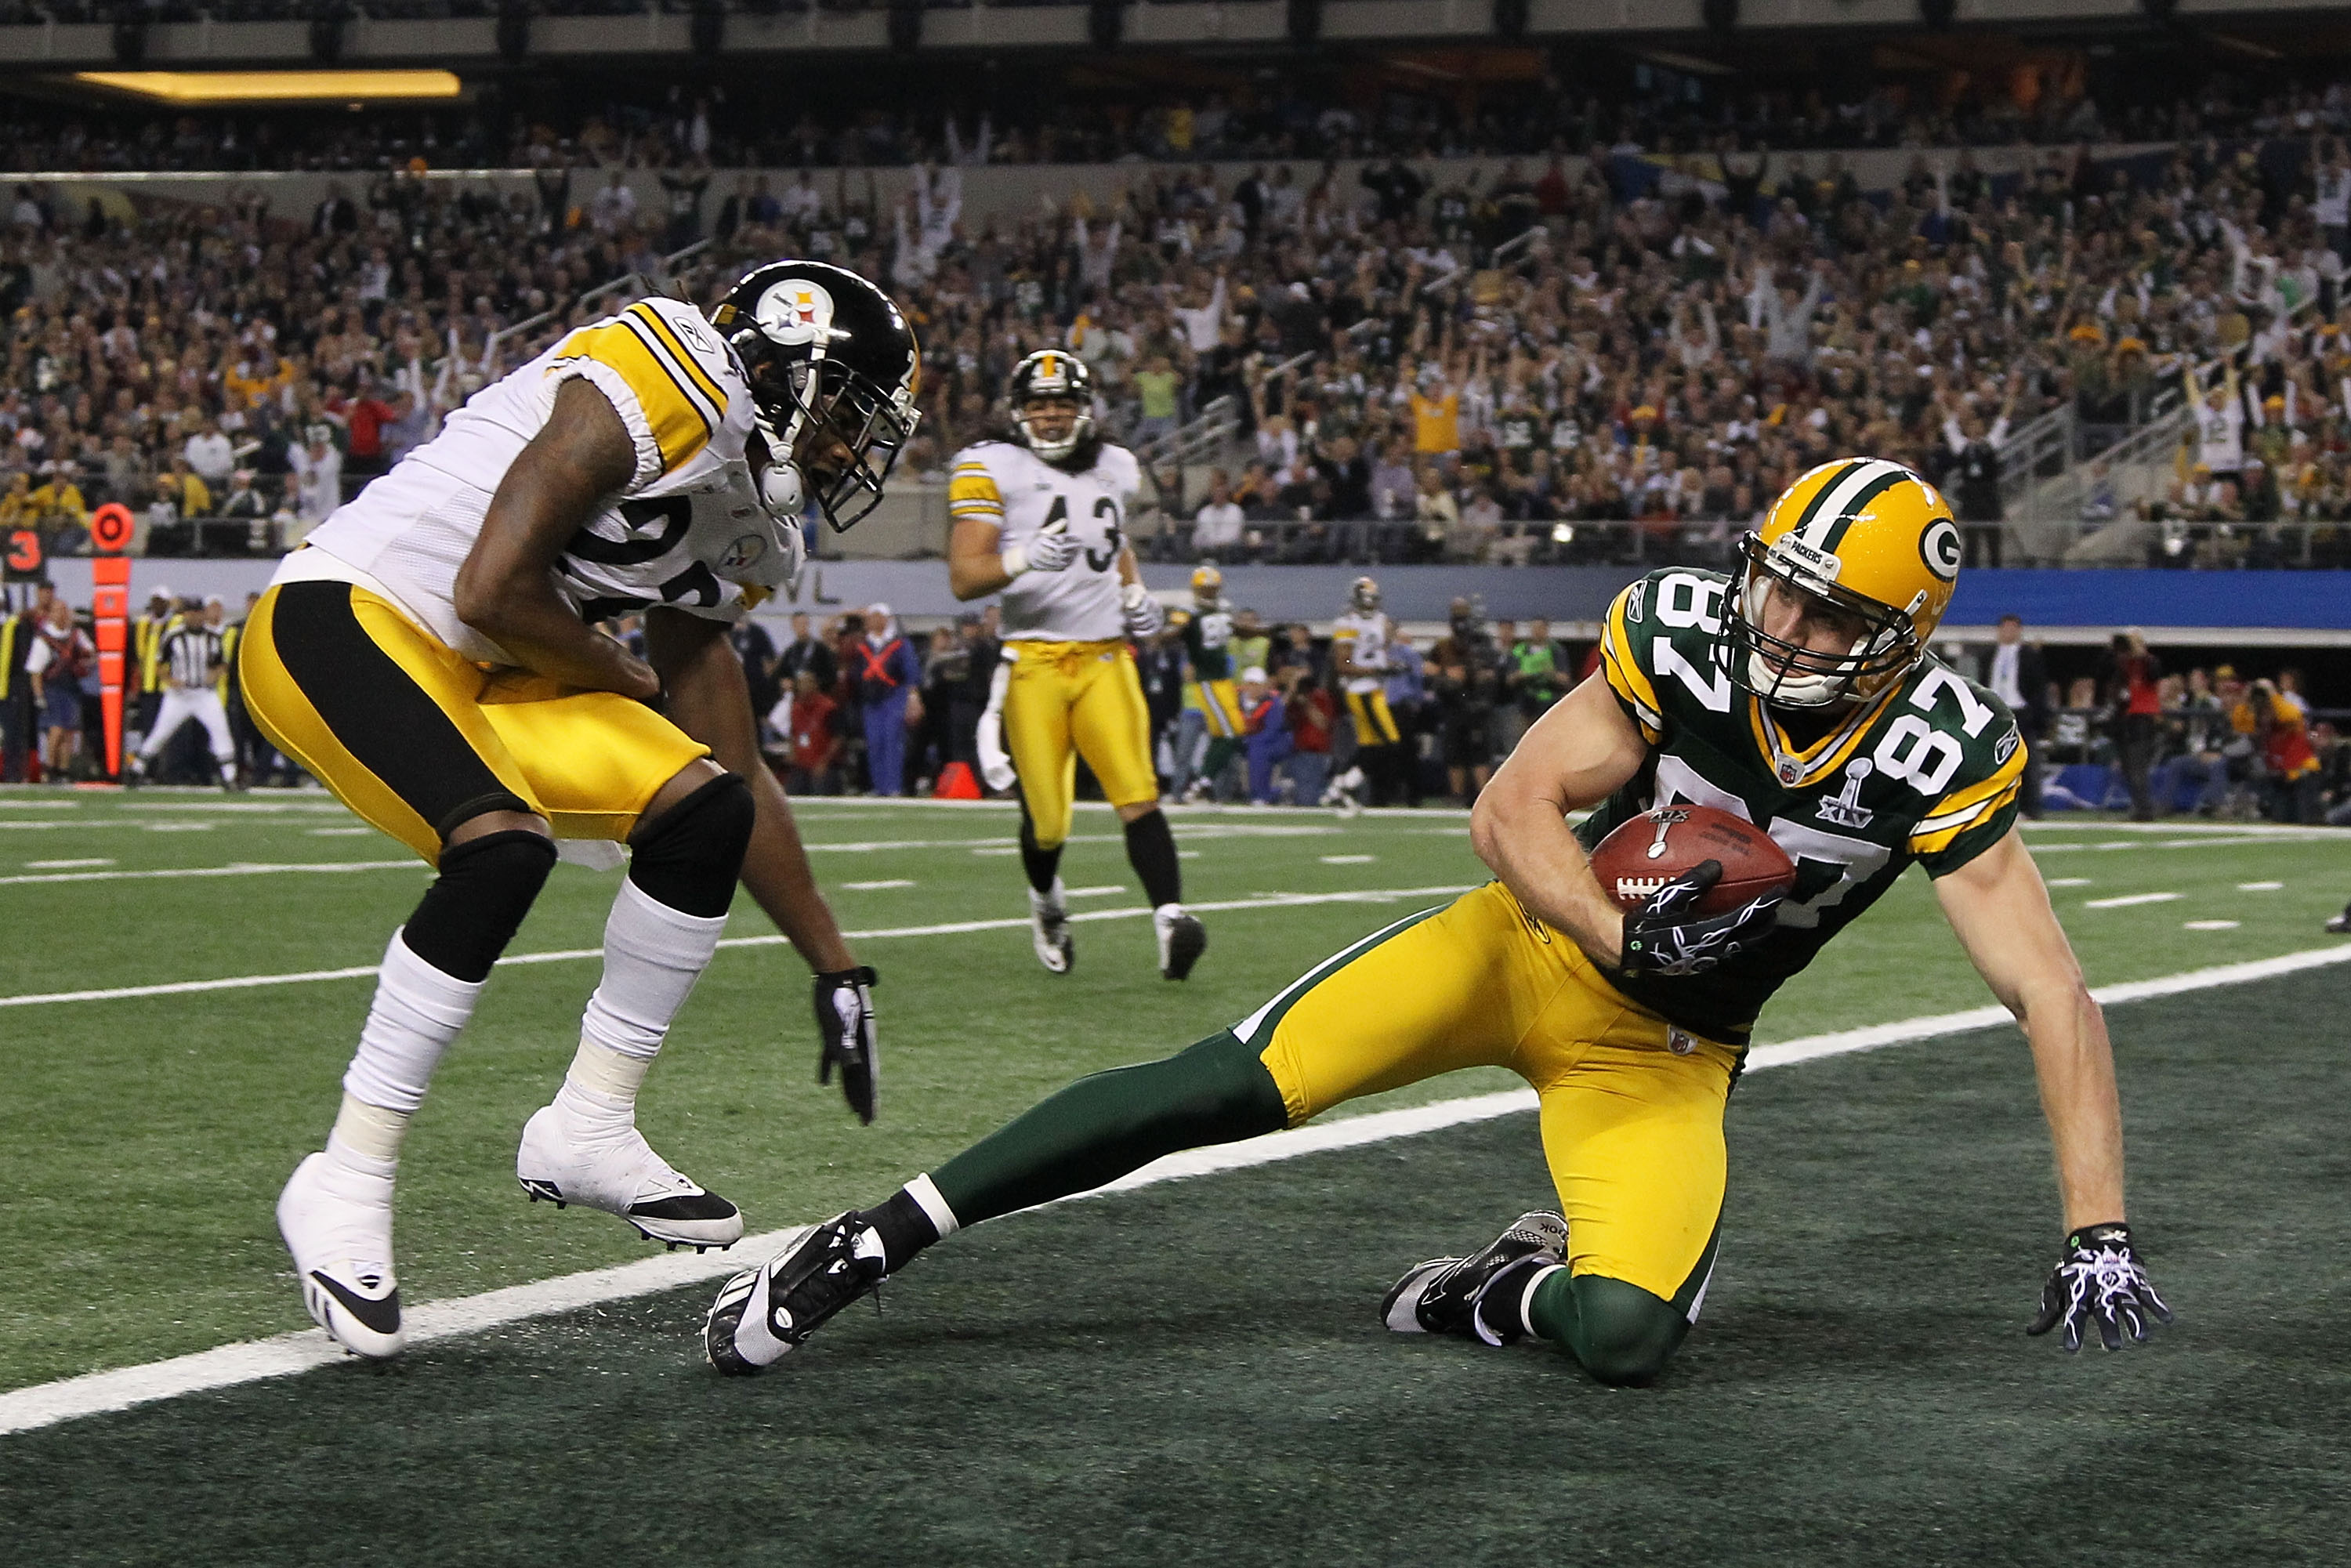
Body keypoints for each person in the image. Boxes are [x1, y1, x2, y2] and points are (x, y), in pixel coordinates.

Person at [705, 456, 2168, 1383]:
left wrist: (2095, 1227)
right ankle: (874, 1237)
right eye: (1779, 597)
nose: (1784, 635)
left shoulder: (1946, 750)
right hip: (1524, 952)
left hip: (1667, 1052)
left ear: (1904, 642)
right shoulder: (1678, 638)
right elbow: (1511, 810)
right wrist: (1616, 932)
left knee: (1629, 1341)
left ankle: (1498, 1291)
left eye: (1831, 622)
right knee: (1223, 1084)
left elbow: (2051, 992)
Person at [236, 259, 918, 1360]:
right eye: (848, 409)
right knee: (501, 849)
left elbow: (736, 766)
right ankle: (345, 1173)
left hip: (491, 681)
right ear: (788, 365)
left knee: (704, 810)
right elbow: (491, 587)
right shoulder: (666, 371)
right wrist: (628, 676)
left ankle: (590, 1123)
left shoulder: (755, 525)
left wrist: (836, 964)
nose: (853, 447)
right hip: (348, 615)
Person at [951, 349, 1205, 981]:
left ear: (1084, 409)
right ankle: (1046, 902)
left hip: (1104, 655)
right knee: (1047, 820)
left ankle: (1171, 917)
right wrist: (1022, 559)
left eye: (1062, 402)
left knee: (1137, 792)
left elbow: (1115, 545)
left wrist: (1134, 594)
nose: (1053, 415)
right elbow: (964, 577)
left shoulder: (1116, 465)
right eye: (1040, 404)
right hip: (1034, 660)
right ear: (1019, 411)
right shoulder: (988, 465)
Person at [126, 598, 238, 789]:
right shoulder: (173, 636)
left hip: (204, 694)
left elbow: (222, 663)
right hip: (179, 696)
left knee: (221, 732)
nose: (194, 617)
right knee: (161, 733)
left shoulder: (212, 637)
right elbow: (159, 663)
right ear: (185, 615)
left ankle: (230, 778)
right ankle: (136, 771)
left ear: (202, 614)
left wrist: (215, 675)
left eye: (197, 613)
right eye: (190, 613)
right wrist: (170, 681)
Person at [1324, 575, 1402, 813]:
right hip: (1361, 691)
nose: (1371, 606)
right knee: (1390, 743)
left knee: (1369, 746)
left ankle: (1338, 787)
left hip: (1375, 688)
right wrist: (1377, 669)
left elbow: (1377, 651)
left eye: (1373, 601)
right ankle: (1345, 785)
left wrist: (1389, 664)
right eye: (1366, 601)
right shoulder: (1347, 624)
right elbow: (1343, 664)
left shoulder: (1381, 620)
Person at [1173, 566, 1242, 802]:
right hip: (1207, 681)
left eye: (1213, 589)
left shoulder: (1224, 608)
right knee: (1231, 733)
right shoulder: (1187, 611)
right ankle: (1201, 783)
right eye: (1206, 589)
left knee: (1230, 734)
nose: (1210, 593)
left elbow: (1237, 629)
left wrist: (1265, 631)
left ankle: (1202, 784)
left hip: (1224, 680)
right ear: (1196, 589)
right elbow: (1174, 630)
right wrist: (1173, 631)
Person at [1978, 614, 2048, 817]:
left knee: (2027, 762)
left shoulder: (2029, 656)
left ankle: (2031, 808)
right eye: (2004, 628)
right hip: (1995, 712)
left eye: (2012, 628)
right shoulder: (1989, 655)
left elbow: (2038, 687)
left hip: (2021, 712)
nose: (2008, 632)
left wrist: (2037, 715)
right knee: (1993, 762)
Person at [850, 602, 919, 795]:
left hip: (894, 696)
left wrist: (912, 696)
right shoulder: (864, 645)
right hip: (871, 699)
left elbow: (911, 671)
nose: (872, 621)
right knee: (874, 742)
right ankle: (878, 785)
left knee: (892, 740)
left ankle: (893, 786)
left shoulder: (899, 644)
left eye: (876, 617)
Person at [23, 594, 90, 780]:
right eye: (57, 611)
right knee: (56, 729)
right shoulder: (44, 640)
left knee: (69, 731)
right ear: (51, 615)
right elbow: (35, 671)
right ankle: (50, 767)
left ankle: (64, 769)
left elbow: (90, 655)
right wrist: (39, 696)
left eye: (64, 611)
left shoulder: (76, 635)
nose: (62, 615)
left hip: (71, 687)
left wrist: (84, 662)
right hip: (53, 688)